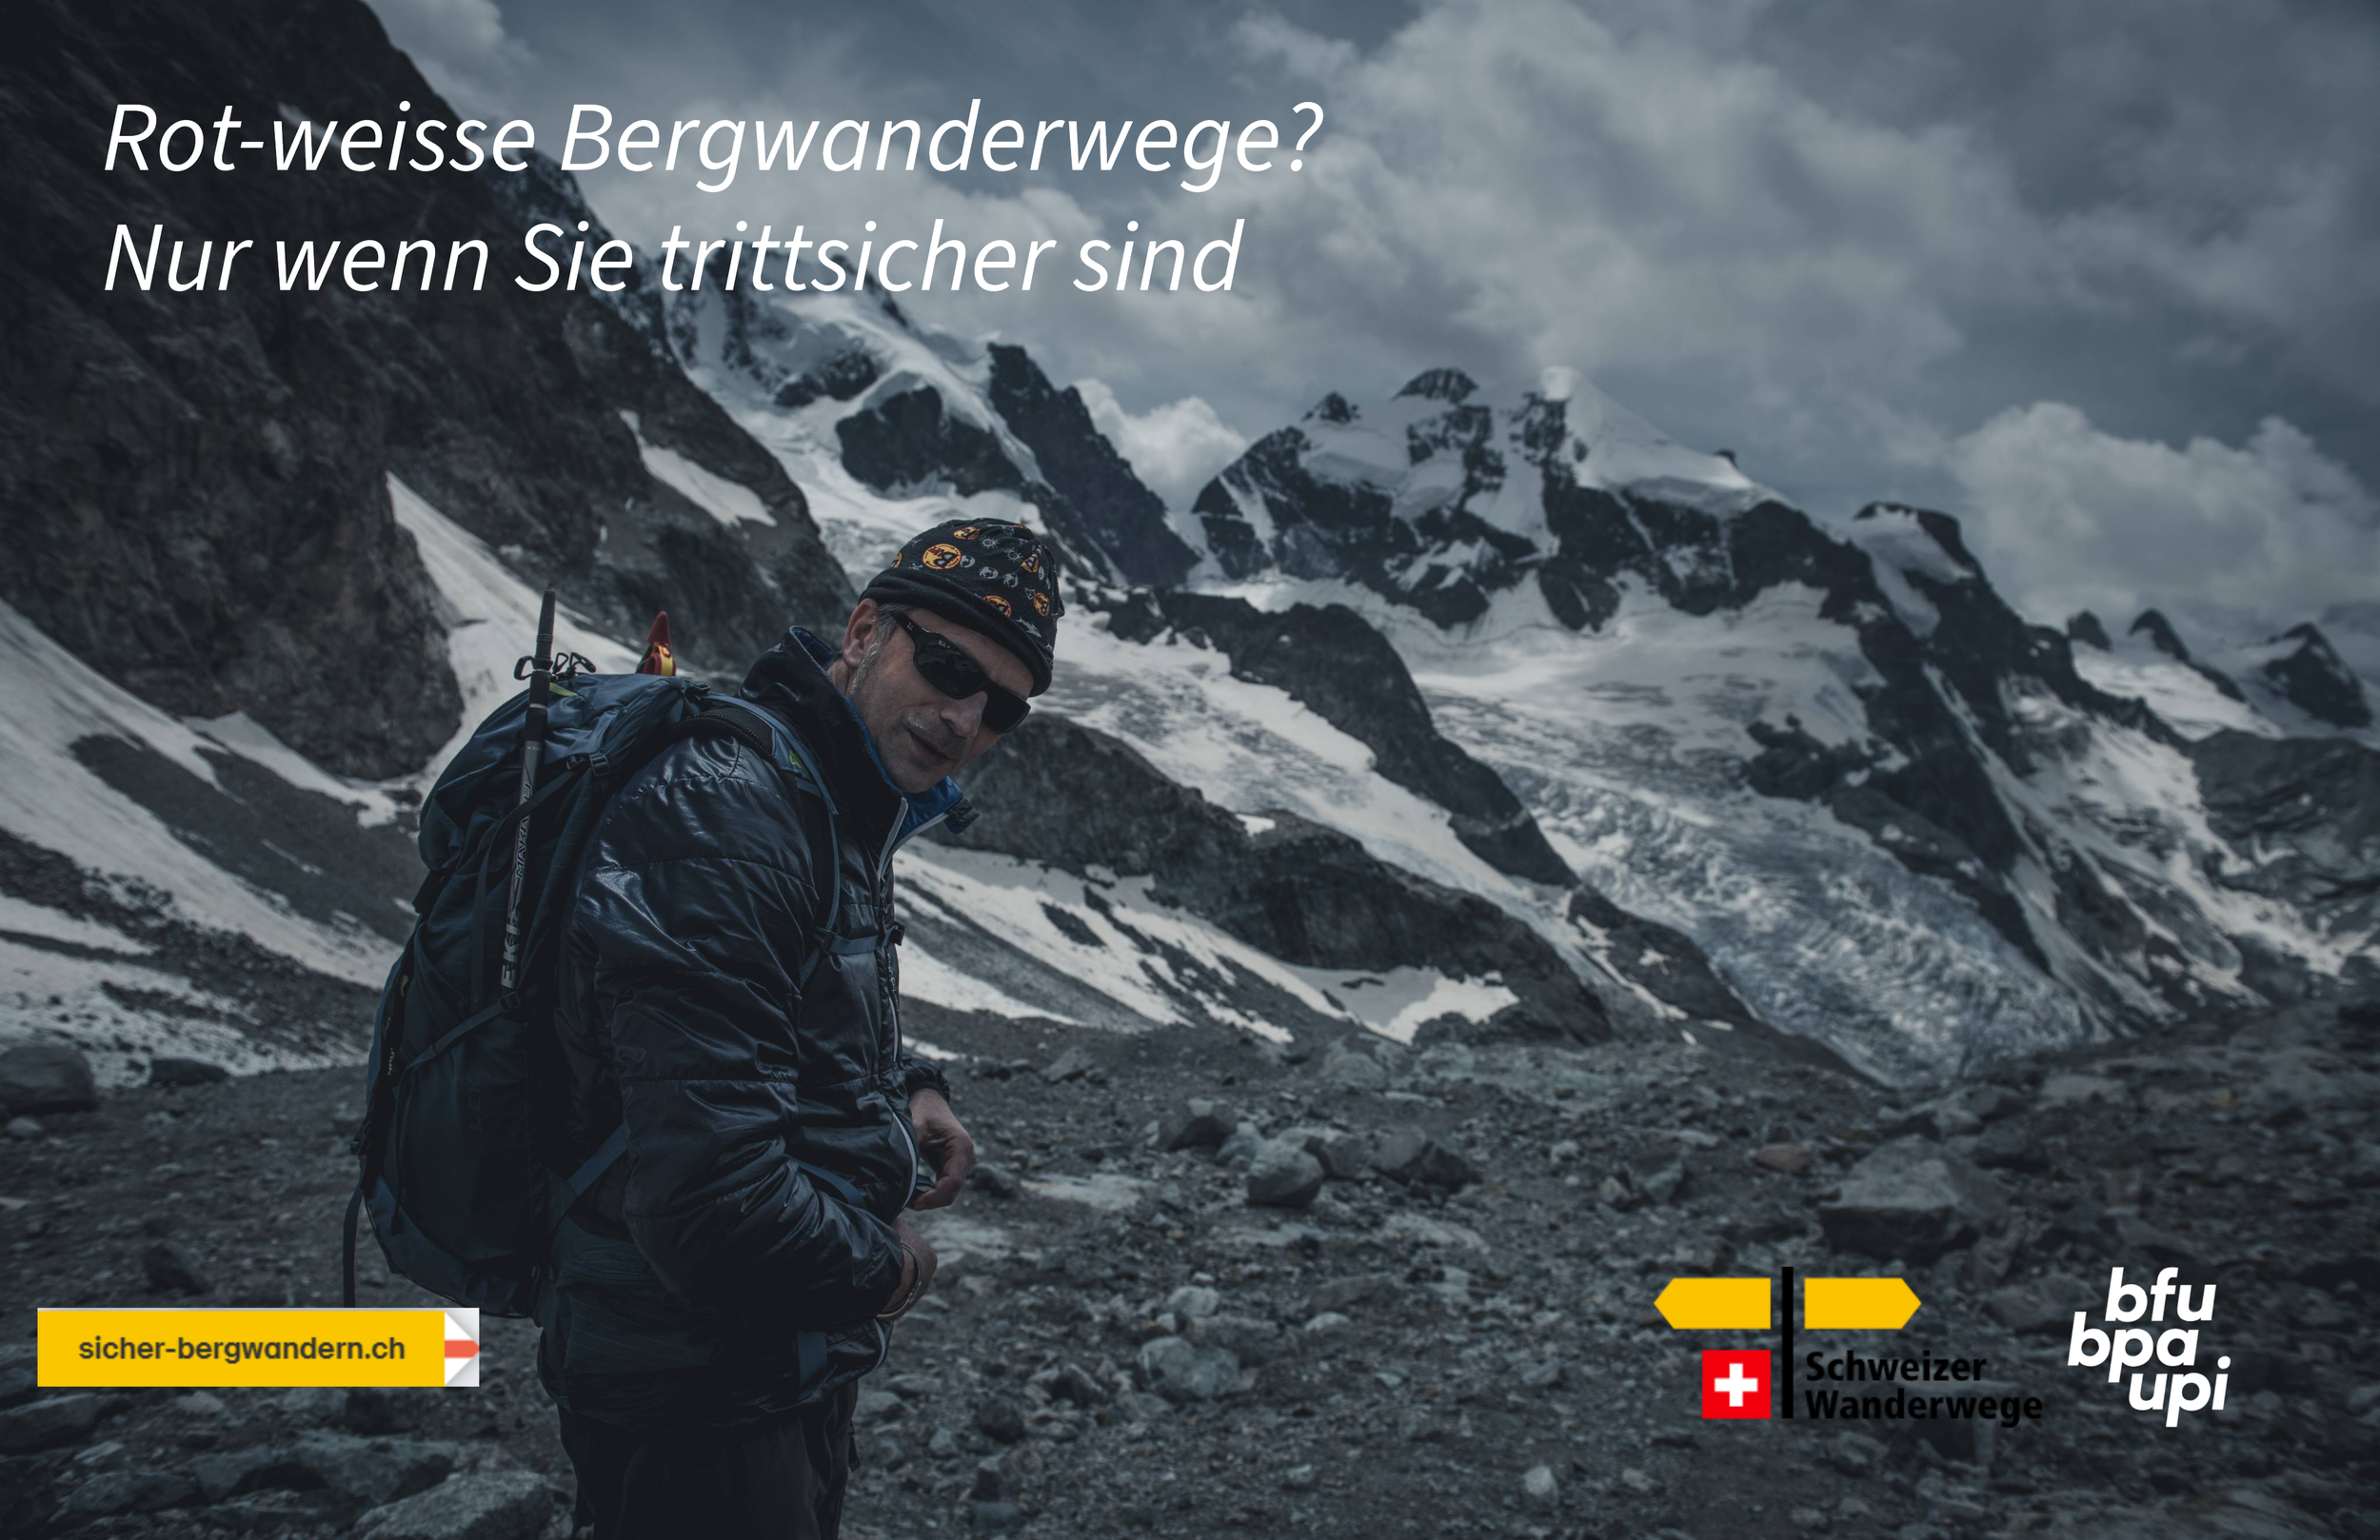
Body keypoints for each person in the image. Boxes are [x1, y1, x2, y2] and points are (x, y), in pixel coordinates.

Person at [538, 519, 1064, 1539]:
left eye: (1000, 705)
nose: (961, 718)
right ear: (865, 628)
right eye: (946, 664)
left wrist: (910, 1082)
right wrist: (893, 1270)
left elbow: (797, 1006)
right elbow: (709, 1206)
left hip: (769, 1357)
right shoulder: (730, 818)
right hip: (690, 1383)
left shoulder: (827, 797)